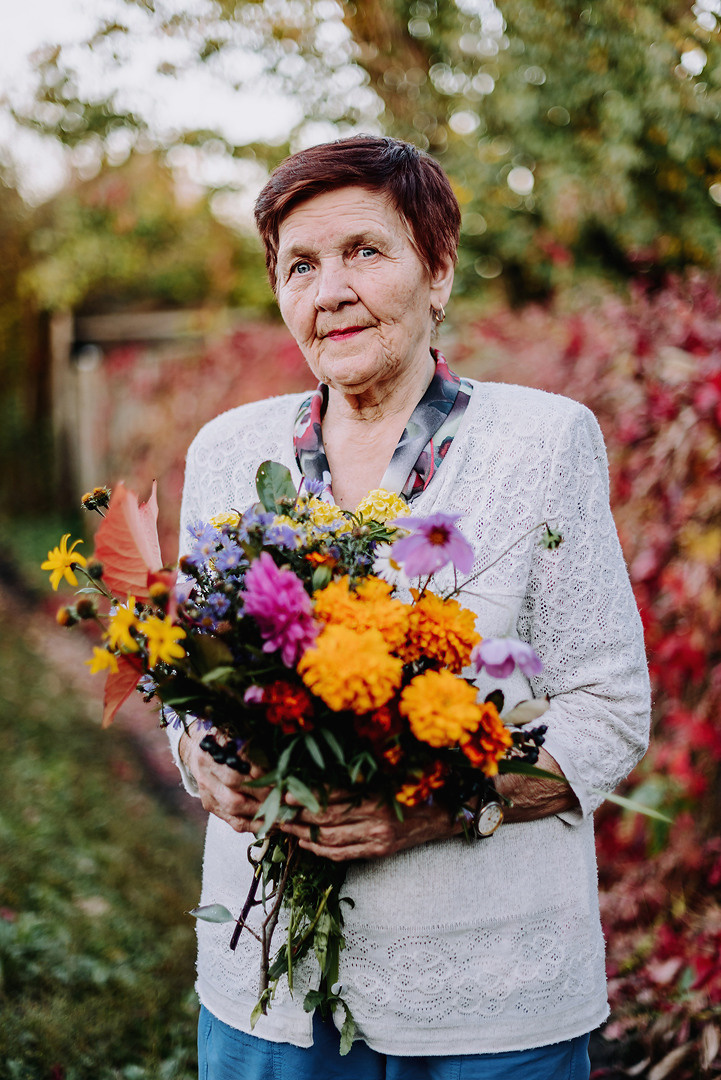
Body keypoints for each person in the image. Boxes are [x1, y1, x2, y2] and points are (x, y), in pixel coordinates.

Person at [168, 135, 650, 1079]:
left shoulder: (542, 444)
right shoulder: (228, 452)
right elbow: (190, 681)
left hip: (486, 995)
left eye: (365, 252)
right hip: (269, 985)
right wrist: (203, 764)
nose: (330, 290)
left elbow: (609, 711)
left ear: (438, 273)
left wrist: (438, 809)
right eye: (300, 265)